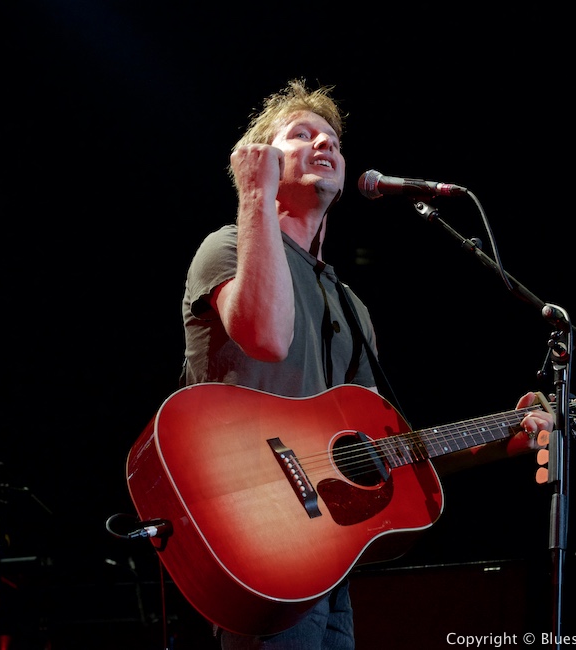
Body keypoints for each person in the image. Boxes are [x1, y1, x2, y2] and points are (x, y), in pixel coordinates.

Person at [181, 78, 554, 649]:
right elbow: (266, 338)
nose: (324, 144)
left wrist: (500, 438)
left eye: (332, 137)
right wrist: (254, 197)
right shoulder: (228, 245)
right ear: (264, 161)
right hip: (251, 535)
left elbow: (374, 452)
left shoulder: (353, 308)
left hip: (328, 559)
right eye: (301, 135)